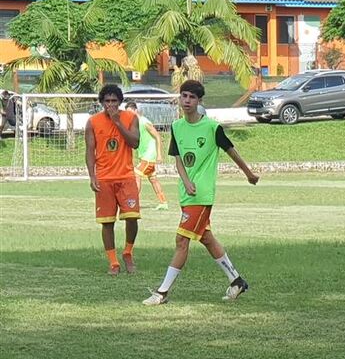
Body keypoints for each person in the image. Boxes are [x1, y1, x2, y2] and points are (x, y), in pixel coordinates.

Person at [142, 80, 259, 306]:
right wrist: (186, 182)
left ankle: (162, 292)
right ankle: (236, 281)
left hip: (202, 195)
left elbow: (231, 151)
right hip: (187, 194)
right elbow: (178, 161)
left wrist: (249, 174)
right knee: (205, 237)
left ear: (199, 101)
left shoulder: (211, 128)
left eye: (192, 97)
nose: (187, 101)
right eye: (184, 96)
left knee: (181, 240)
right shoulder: (176, 127)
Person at [85, 84, 141, 275]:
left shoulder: (130, 118)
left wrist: (118, 123)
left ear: (120, 102)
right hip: (104, 179)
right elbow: (90, 151)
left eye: (114, 101)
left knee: (132, 217)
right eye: (107, 101)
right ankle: (113, 262)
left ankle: (127, 252)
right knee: (107, 222)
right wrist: (92, 175)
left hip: (126, 177)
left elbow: (135, 142)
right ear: (102, 102)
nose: (110, 105)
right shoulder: (93, 122)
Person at [126, 101, 169, 211]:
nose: (129, 115)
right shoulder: (134, 123)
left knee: (136, 174)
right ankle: (163, 202)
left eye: (130, 113)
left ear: (136, 111)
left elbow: (157, 136)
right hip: (145, 156)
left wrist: (159, 154)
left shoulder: (144, 122)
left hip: (149, 156)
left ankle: (133, 202)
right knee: (153, 179)